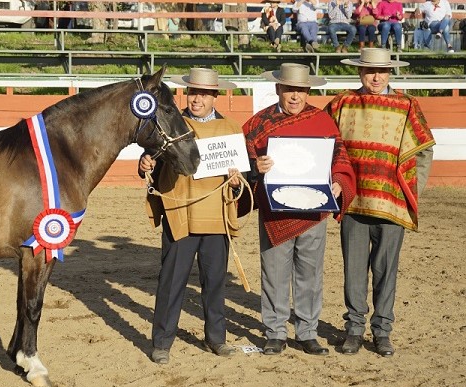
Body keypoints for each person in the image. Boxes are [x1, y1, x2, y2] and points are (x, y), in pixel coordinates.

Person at [326, 48, 436, 357]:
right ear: (359, 72)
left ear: (390, 73)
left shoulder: (407, 106)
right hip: (355, 203)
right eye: (370, 71)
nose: (376, 77)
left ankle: (382, 331)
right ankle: (354, 329)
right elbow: (322, 143)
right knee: (354, 271)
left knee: (387, 270)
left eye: (382, 71)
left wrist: (414, 191)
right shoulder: (341, 104)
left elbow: (423, 152)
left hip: (392, 205)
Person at [242, 63, 356, 356]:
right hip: (275, 212)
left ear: (308, 91)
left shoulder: (323, 121)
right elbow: (243, 159)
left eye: (301, 90)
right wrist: (256, 167)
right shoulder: (259, 123)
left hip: (312, 213)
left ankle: (307, 332)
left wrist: (339, 183)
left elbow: (340, 159)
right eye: (289, 89)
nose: (295, 96)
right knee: (274, 274)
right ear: (278, 88)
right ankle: (275, 332)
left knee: (310, 273)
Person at [139, 68, 242, 365]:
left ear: (214, 96)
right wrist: (145, 163)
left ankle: (216, 338)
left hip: (215, 215)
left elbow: (243, 176)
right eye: (193, 93)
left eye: (204, 94)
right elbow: (153, 164)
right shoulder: (170, 123)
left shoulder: (231, 129)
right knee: (171, 282)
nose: (197, 99)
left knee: (215, 282)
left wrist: (238, 180)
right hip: (179, 212)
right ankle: (161, 342)